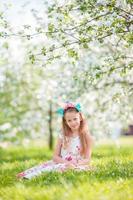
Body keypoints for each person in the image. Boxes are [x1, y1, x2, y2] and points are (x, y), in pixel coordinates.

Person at [17, 102, 93, 179]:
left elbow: (87, 159)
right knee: (48, 167)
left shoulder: (87, 137)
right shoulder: (63, 136)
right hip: (62, 162)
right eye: (69, 120)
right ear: (65, 122)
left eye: (75, 119)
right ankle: (27, 176)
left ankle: (29, 177)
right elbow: (55, 157)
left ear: (80, 117)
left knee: (70, 169)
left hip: (77, 165)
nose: (73, 122)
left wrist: (76, 164)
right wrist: (67, 163)